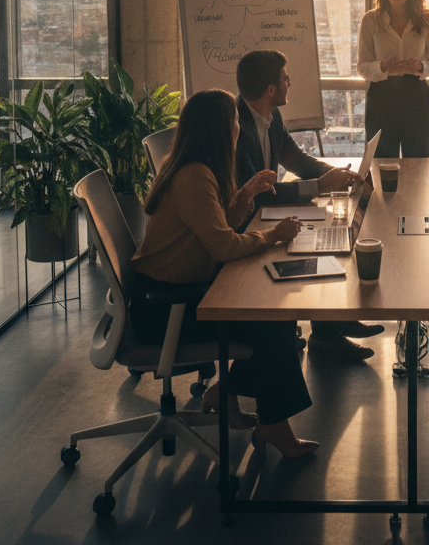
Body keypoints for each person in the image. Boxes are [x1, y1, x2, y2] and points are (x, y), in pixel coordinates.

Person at [129, 89, 319, 457]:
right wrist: (273, 236)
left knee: (275, 314)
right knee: (270, 321)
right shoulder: (194, 177)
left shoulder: (195, 166)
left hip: (174, 293)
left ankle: (228, 394)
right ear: (219, 129)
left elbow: (214, 229)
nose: (238, 128)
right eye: (234, 121)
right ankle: (272, 425)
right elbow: (225, 247)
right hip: (165, 308)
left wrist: (245, 194)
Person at [235, 50, 384, 362]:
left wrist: (336, 176)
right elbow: (259, 196)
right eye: (285, 78)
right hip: (247, 226)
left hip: (263, 216)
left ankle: (331, 325)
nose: (290, 82)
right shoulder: (237, 129)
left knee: (324, 236)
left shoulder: (270, 116)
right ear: (271, 89)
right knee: (316, 240)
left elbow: (297, 160)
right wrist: (319, 186)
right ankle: (327, 334)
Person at [357, 0, 429, 158]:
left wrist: (420, 66)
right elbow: (362, 67)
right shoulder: (371, 20)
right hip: (381, 99)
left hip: (416, 98)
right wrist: (382, 66)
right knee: (382, 164)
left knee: (419, 164)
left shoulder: (428, 19)